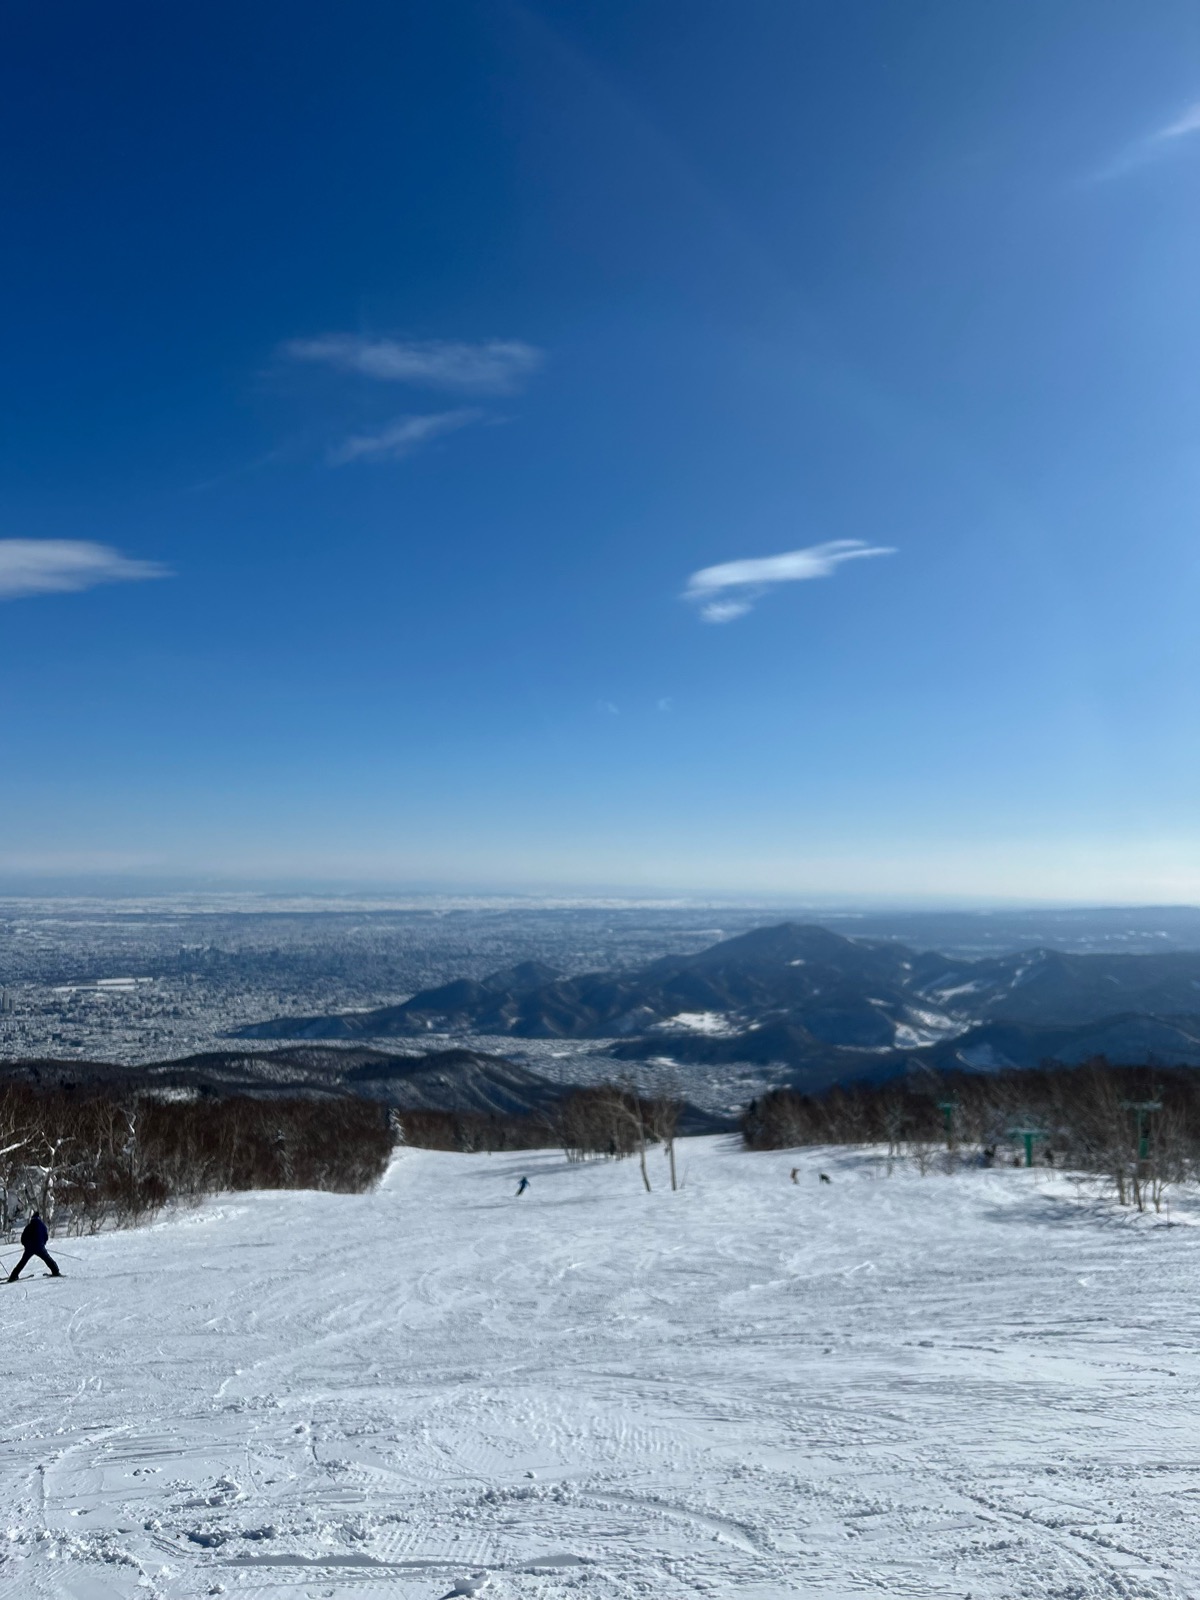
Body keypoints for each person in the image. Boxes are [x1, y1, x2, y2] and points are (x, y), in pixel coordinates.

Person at [8, 1212, 60, 1281]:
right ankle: (55, 1271)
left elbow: (23, 1238)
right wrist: (42, 1244)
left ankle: (13, 1276)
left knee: (23, 1262)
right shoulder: (42, 1226)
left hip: (29, 1248)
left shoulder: (29, 1226)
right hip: (40, 1247)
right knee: (47, 1259)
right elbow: (46, 1237)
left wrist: (26, 1246)